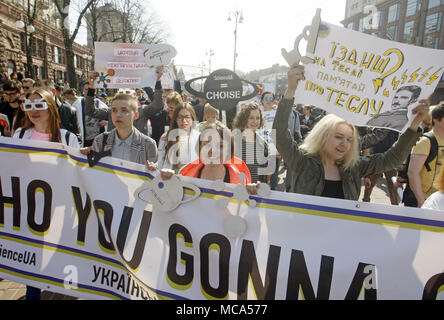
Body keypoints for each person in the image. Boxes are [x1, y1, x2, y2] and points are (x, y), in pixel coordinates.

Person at [273, 64, 430, 200]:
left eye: (349, 139)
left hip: (341, 234)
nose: (344, 144)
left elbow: (392, 159)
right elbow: (279, 136)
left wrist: (414, 124)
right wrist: (291, 89)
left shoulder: (354, 167)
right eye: (339, 137)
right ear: (322, 136)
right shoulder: (302, 161)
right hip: (304, 233)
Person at [13, 88, 80, 300]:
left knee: (58, 256)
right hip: (29, 207)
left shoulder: (67, 138)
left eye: (39, 104)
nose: (33, 110)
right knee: (33, 256)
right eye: (29, 105)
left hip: (59, 209)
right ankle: (32, 293)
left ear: (50, 107)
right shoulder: (20, 135)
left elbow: (77, 173)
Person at [85, 67, 164, 143]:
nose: (119, 114)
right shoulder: (111, 112)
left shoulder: (142, 111)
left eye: (124, 110)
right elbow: (90, 111)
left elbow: (158, 105)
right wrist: (91, 88)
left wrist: (157, 81)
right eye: (116, 110)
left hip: (138, 152)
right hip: (114, 152)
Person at [160, 122, 252, 186]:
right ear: (199, 148)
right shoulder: (184, 177)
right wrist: (165, 181)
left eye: (220, 146)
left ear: (228, 151)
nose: (212, 150)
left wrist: (254, 193)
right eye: (207, 144)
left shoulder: (242, 181)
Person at [80, 93, 158, 167]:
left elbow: (153, 177)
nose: (118, 115)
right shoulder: (100, 140)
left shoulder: (148, 144)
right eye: (114, 110)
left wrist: (153, 168)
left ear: (136, 115)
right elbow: (94, 171)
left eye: (124, 110)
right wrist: (83, 156)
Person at [403, 102, 444, 207]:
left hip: (439, 200)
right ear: (436, 119)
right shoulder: (426, 141)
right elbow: (412, 172)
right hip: (423, 201)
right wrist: (421, 200)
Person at [232, 102, 272, 183]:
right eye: (251, 118)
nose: (255, 121)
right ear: (244, 119)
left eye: (258, 118)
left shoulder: (263, 143)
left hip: (257, 191)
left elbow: (267, 171)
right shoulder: (233, 141)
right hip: (238, 189)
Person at [157, 103, 200, 173]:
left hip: (191, 181)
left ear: (192, 118)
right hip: (170, 180)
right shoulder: (165, 137)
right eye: (180, 117)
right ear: (175, 119)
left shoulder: (199, 138)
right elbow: (160, 162)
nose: (184, 121)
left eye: (187, 117)